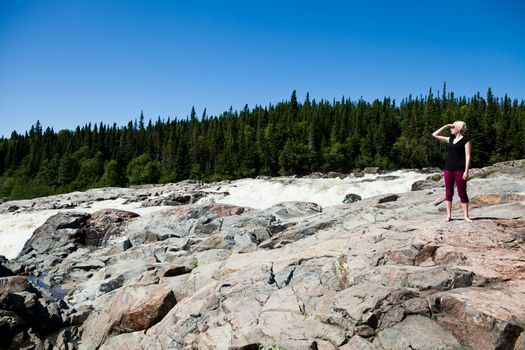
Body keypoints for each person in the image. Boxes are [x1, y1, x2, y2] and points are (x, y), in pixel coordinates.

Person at [432, 121, 473, 222]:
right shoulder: (449, 139)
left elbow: (468, 156)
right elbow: (434, 134)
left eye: (453, 127)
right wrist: (445, 126)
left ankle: (466, 216)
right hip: (448, 169)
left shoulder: (465, 140)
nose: (451, 128)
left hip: (460, 169)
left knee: (462, 192)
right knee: (448, 192)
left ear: (458, 128)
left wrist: (466, 171)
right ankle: (449, 215)